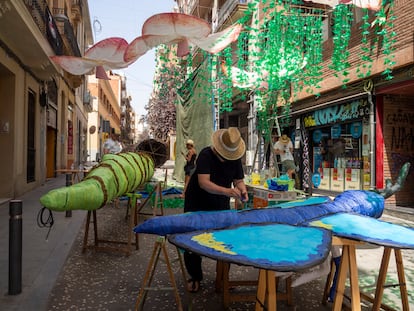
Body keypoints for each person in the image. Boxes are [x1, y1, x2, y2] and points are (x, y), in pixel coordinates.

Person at [183, 127, 248, 293]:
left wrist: (242, 190)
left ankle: (222, 279)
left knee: (225, 238)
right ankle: (195, 276)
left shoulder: (235, 158)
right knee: (193, 238)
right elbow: (204, 183)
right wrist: (227, 191)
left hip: (220, 201)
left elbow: (238, 180)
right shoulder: (206, 155)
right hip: (198, 200)